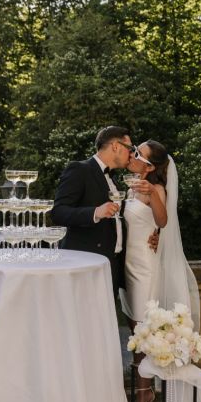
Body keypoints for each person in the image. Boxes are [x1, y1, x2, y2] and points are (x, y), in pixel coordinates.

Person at [119, 140, 199, 402]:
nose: (132, 155)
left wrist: (152, 194)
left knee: (143, 332)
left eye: (138, 153)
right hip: (127, 265)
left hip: (145, 267)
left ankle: (143, 395)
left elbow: (163, 221)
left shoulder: (156, 188)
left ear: (150, 165)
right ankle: (145, 389)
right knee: (133, 329)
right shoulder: (129, 185)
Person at [51, 126, 134, 295]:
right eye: (130, 148)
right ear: (116, 146)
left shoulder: (113, 180)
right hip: (84, 262)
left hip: (111, 262)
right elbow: (58, 212)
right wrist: (95, 212)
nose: (131, 154)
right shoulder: (79, 170)